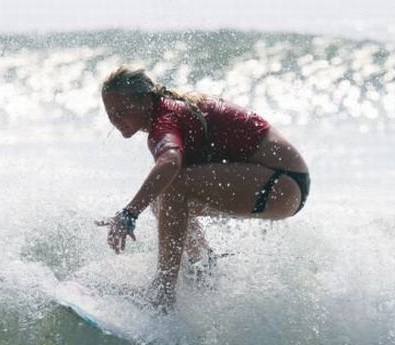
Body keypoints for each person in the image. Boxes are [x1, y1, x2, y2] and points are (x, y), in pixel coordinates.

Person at [97, 66, 310, 310]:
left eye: (122, 110)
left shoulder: (164, 118)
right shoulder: (169, 111)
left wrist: (129, 214)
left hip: (282, 183)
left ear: (145, 100)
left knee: (173, 186)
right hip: (281, 184)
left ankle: (163, 293)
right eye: (110, 113)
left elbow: (170, 162)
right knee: (163, 201)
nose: (115, 119)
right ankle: (204, 268)